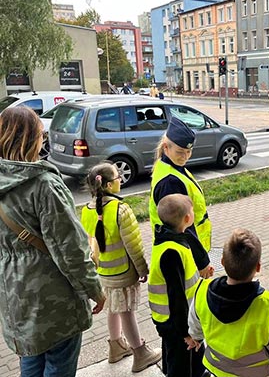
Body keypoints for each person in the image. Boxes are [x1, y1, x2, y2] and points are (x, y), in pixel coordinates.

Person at [0, 107, 105, 377]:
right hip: (53, 300)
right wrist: (95, 290)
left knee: (31, 358)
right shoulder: (44, 185)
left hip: (13, 295)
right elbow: (70, 250)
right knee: (59, 364)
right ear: (33, 138)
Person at [81, 162, 161, 372]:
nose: (120, 180)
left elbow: (90, 243)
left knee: (114, 309)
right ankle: (140, 353)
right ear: (107, 185)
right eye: (117, 178)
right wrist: (143, 270)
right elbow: (133, 246)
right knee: (127, 312)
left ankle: (116, 347)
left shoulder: (86, 211)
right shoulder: (121, 209)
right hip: (124, 273)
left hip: (104, 273)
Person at [187, 228, 269, 376]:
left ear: (222, 262)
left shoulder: (202, 290)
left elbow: (194, 329)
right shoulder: (268, 307)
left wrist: (197, 338)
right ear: (258, 267)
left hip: (217, 372)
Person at [149, 116, 214, 277]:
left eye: (189, 151)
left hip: (185, 249)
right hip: (184, 251)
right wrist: (202, 262)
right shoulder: (170, 181)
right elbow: (182, 227)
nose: (185, 156)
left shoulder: (173, 166)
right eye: (180, 152)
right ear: (166, 147)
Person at [149, 194, 205, 377]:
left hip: (179, 319)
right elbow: (176, 296)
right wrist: (186, 333)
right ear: (187, 218)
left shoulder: (171, 238)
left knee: (183, 355)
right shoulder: (171, 253)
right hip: (175, 322)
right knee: (179, 363)